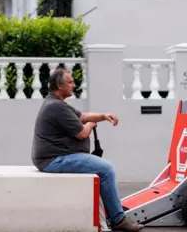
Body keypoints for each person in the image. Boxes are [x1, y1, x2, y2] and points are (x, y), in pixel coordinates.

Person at [31, 68, 145, 231]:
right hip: (53, 160)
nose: (74, 85)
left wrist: (104, 116)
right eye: (70, 82)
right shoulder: (56, 107)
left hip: (56, 157)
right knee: (106, 169)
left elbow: (83, 116)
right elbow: (82, 133)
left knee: (103, 168)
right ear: (59, 85)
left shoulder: (56, 104)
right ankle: (119, 219)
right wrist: (91, 125)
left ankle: (112, 213)